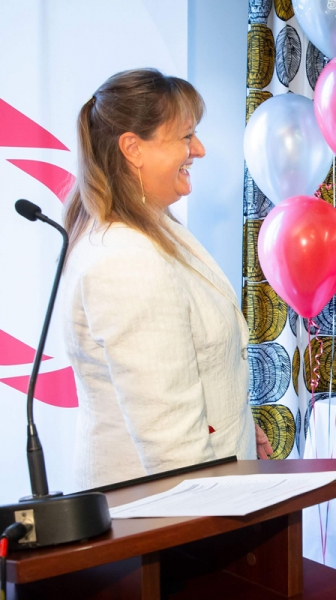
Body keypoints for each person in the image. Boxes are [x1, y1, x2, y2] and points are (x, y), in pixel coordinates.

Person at [59, 69, 272, 490]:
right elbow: (171, 443)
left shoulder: (149, 229)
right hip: (161, 521)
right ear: (133, 148)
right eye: (186, 137)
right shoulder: (126, 258)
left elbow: (184, 372)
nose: (200, 149)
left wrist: (240, 427)